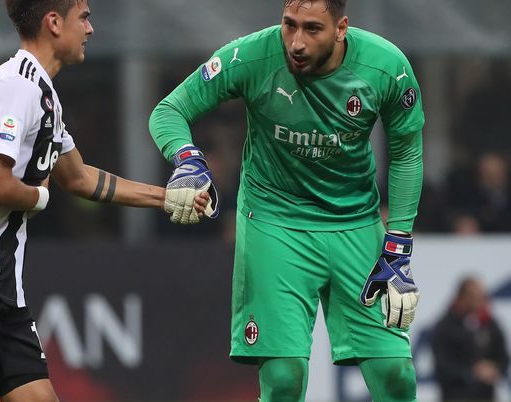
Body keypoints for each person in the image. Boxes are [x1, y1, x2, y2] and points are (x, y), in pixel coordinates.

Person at [0, 1, 209, 402]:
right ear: (54, 22)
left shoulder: (41, 92)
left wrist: (165, 198)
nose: (90, 29)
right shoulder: (16, 86)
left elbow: (80, 177)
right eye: (83, 17)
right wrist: (40, 197)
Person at [149, 0, 424, 401]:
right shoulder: (252, 56)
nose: (296, 42)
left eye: (312, 29)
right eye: (289, 25)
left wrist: (398, 244)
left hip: (356, 222)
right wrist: (187, 159)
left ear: (341, 28)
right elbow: (170, 109)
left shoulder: (387, 68)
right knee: (284, 378)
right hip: (274, 222)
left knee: (395, 375)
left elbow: (407, 152)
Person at [431, 277, 509, 402]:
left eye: (482, 296)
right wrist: (472, 373)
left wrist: (494, 369)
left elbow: (504, 357)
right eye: (476, 296)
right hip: (456, 396)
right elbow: (443, 366)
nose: (481, 301)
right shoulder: (445, 327)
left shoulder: (489, 324)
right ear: (463, 298)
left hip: (485, 396)